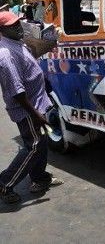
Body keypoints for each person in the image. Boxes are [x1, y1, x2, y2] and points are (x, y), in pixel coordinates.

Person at [0, 11, 64, 204]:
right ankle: (5, 182)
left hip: (37, 103)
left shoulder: (16, 43)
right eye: (12, 26)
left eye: (18, 23)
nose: (18, 27)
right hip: (28, 109)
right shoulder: (5, 55)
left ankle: (39, 178)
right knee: (33, 146)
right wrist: (36, 115)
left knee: (41, 143)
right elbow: (17, 92)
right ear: (2, 30)